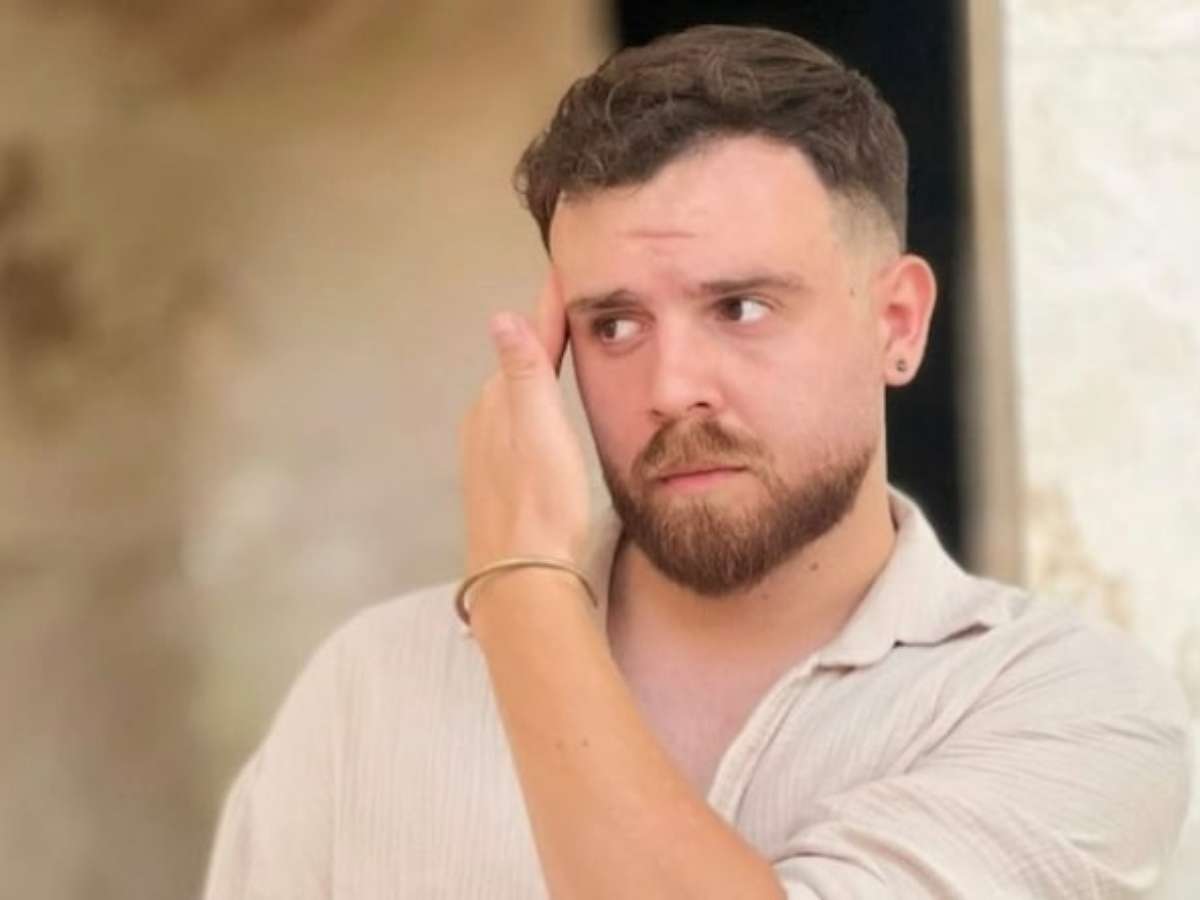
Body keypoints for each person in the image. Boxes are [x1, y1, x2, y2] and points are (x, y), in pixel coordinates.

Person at [202, 24, 1192, 899]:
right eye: (615, 324)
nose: (672, 388)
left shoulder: (1070, 708)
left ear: (897, 323)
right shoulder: (368, 693)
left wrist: (523, 585)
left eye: (741, 308)